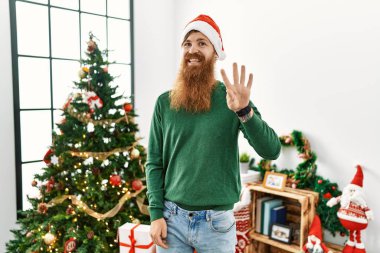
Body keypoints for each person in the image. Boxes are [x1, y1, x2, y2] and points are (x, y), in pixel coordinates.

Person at [146, 14, 281, 253]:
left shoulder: (232, 98)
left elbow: (271, 150)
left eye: (202, 43)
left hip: (216, 224)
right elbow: (154, 163)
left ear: (215, 53)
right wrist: (156, 214)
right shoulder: (164, 104)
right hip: (172, 219)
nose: (193, 49)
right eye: (187, 44)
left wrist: (244, 111)